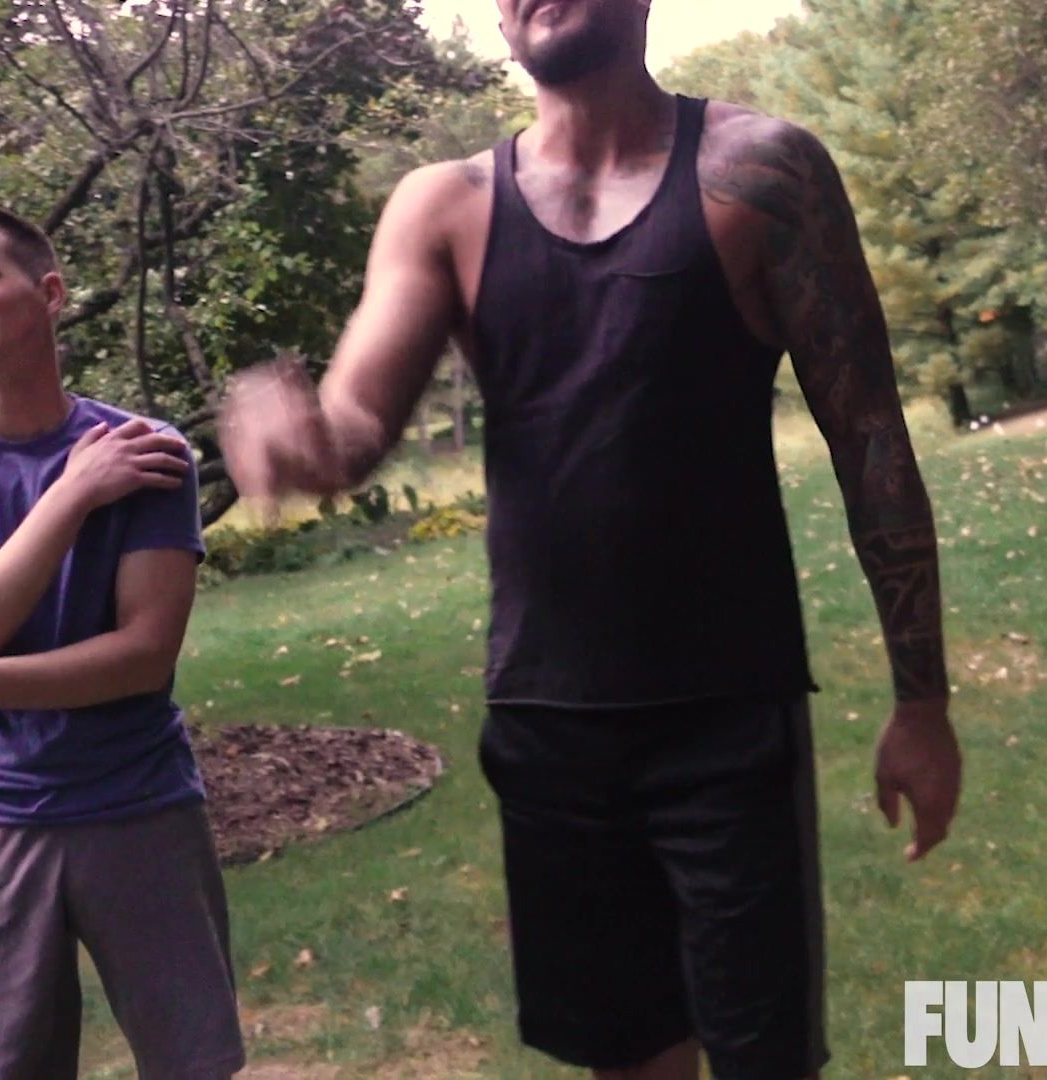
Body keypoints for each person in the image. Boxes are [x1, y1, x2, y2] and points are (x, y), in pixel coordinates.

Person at [219, 1, 962, 1076]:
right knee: (627, 1058)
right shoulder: (445, 205)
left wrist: (922, 703)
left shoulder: (761, 172)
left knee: (765, 1059)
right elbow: (352, 430)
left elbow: (872, 440)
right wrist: (292, 431)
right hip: (549, 726)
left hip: (727, 716)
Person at [0, 202, 244, 1080]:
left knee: (192, 1067)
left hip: (141, 807)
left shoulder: (148, 453)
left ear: (51, 294)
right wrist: (71, 494)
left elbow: (143, 659)